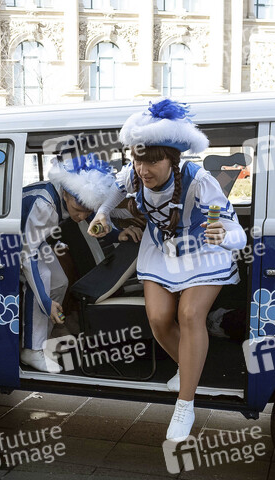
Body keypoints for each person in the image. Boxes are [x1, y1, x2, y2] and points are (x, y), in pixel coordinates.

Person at [89, 99, 246, 441]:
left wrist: (223, 235)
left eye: (152, 161)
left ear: (172, 159)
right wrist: (102, 214)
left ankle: (185, 403)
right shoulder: (134, 174)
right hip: (161, 252)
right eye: (138, 159)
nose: (143, 169)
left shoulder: (199, 180)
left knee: (190, 314)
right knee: (159, 319)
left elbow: (237, 231)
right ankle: (190, 368)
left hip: (202, 254)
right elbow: (116, 191)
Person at [20, 155, 140, 372]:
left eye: (89, 208)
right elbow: (27, 256)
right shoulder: (44, 204)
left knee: (59, 282)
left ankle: (49, 332)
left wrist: (118, 234)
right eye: (80, 207)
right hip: (7, 243)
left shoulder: (75, 197)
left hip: (34, 241)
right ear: (65, 192)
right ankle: (32, 349)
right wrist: (46, 303)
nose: (83, 214)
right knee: (43, 278)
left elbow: (94, 222)